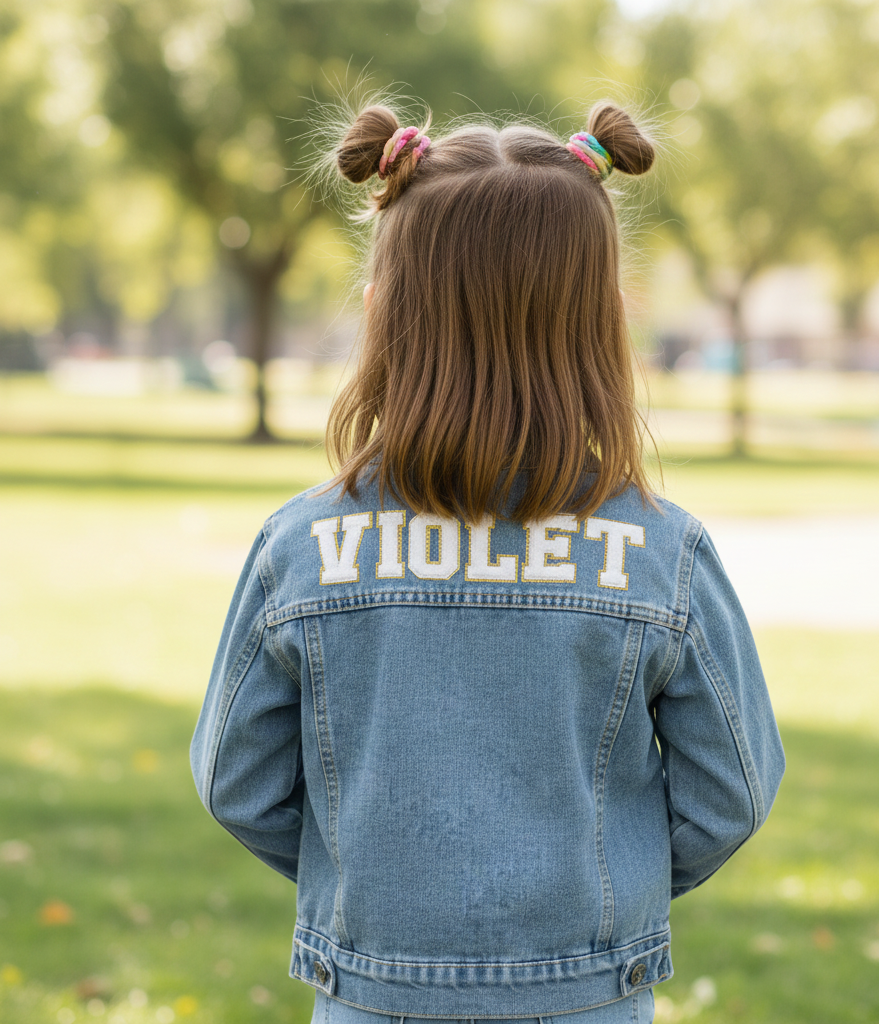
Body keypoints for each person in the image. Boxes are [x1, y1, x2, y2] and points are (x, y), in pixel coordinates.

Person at [191, 99, 785, 1024]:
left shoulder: (302, 548)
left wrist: (374, 880)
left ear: (386, 308)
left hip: (371, 994)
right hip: (588, 993)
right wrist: (596, 883)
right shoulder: (660, 552)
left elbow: (239, 781)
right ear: (597, 320)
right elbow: (733, 790)